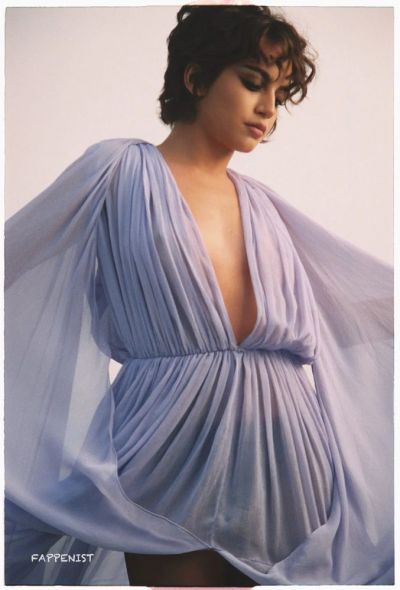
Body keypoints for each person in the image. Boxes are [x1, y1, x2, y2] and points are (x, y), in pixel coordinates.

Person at [4, 5, 393, 587]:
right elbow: (15, 256)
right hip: (168, 446)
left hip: (287, 454)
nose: (268, 108)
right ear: (196, 78)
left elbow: (351, 303)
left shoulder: (264, 206)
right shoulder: (119, 171)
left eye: (280, 94)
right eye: (254, 81)